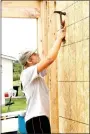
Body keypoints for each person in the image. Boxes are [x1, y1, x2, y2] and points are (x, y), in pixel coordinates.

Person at [19, 21, 66, 134]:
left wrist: (60, 32)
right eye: (34, 54)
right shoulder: (27, 73)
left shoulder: (35, 74)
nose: (38, 55)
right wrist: (59, 38)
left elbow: (48, 57)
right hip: (36, 119)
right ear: (29, 60)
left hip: (40, 118)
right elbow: (49, 59)